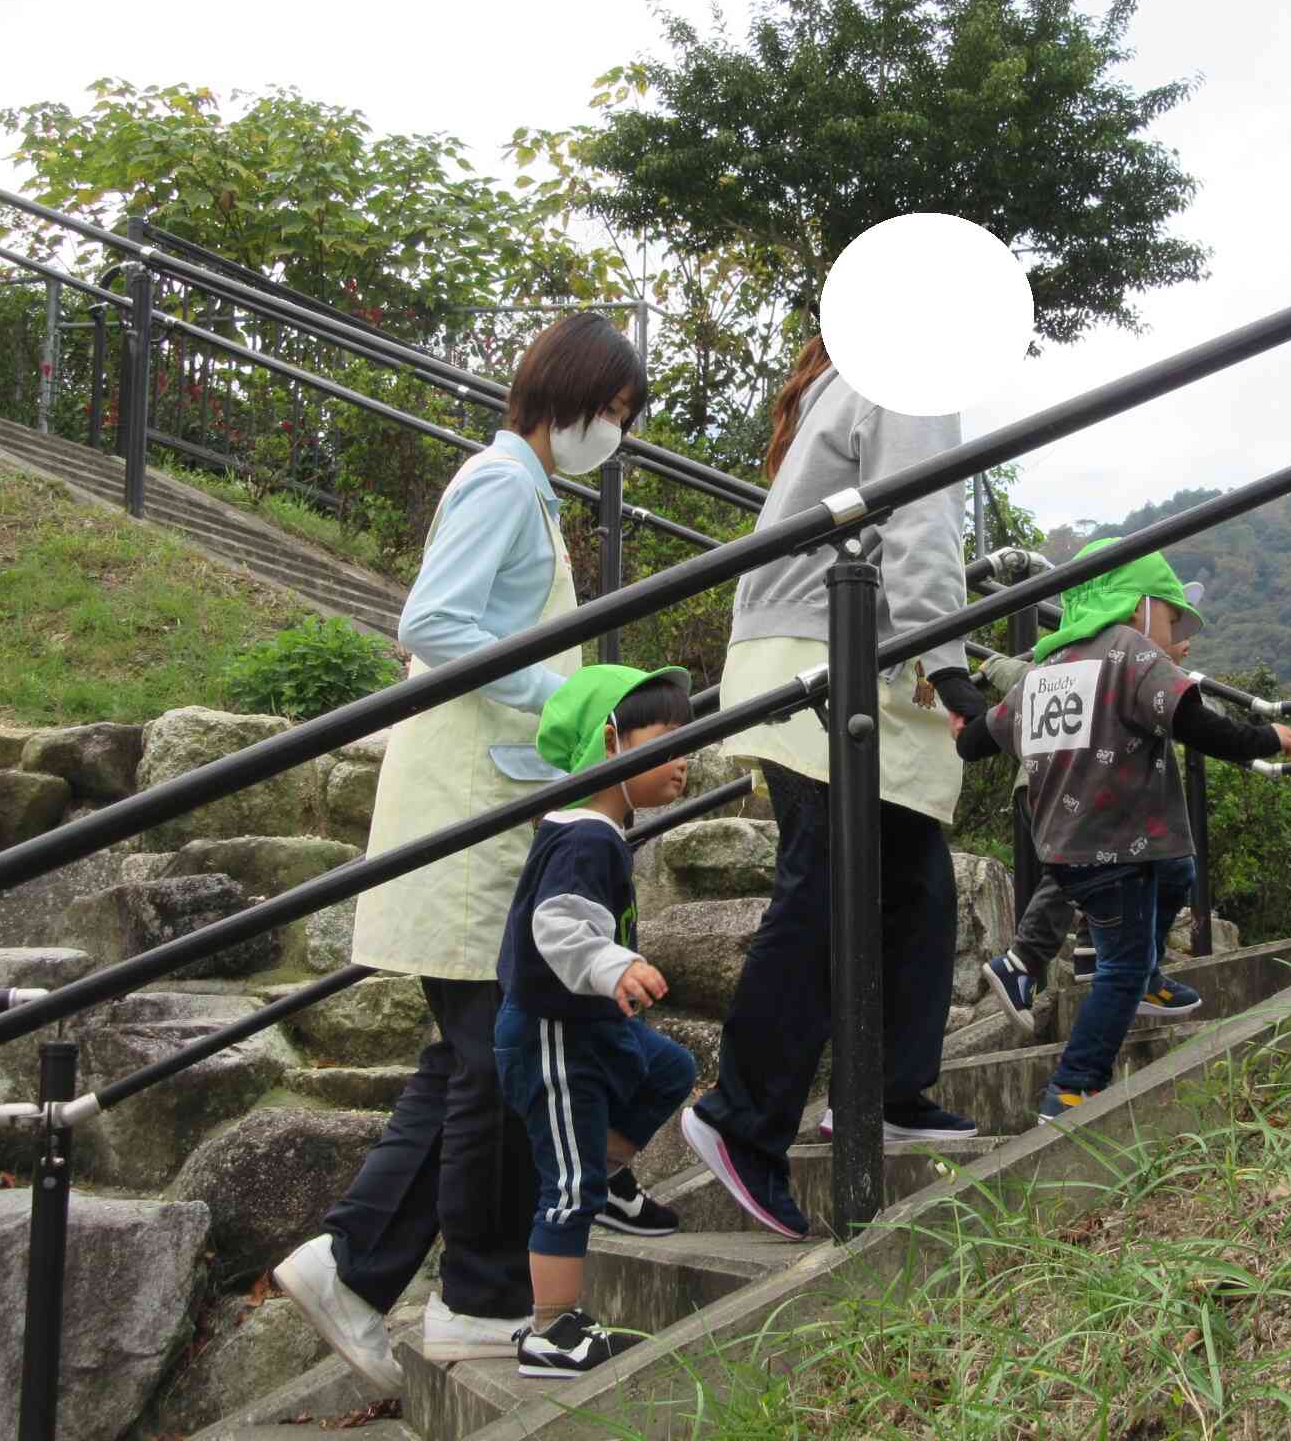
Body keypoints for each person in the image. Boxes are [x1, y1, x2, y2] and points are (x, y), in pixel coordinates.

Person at [274, 314, 661, 1393]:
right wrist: (570, 696)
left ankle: (356, 1266)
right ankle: (476, 1298)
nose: (616, 438)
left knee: (468, 1058)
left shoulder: (525, 492)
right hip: (466, 808)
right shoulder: (501, 485)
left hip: (481, 801)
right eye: (617, 415)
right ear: (577, 398)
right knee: (497, 1056)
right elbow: (433, 624)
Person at [679, 334, 988, 1241]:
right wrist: (953, 665)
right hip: (829, 651)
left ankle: (887, 1086)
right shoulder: (907, 375)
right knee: (826, 890)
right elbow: (920, 524)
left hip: (812, 651)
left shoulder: (844, 381)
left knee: (912, 882)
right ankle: (739, 1119)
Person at [952, 540, 1291, 1123]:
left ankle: (1149, 977)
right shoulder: (1130, 652)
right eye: (1167, 613)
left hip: (1070, 850)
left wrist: (961, 721)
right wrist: (1267, 740)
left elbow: (979, 740)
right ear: (1136, 605)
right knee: (1119, 968)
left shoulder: (1049, 667)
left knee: (1179, 870)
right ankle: (1071, 1090)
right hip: (1118, 848)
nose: (1170, 628)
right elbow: (1196, 724)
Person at [494, 663, 699, 1378]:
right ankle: (551, 1331)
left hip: (589, 1020)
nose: (684, 758)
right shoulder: (585, 837)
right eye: (668, 742)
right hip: (553, 1027)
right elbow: (559, 928)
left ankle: (612, 1179)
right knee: (566, 1183)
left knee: (672, 1067)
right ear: (611, 742)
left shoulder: (599, 828)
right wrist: (616, 967)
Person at [977, 578, 1212, 1033]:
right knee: (1079, 866)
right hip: (1063, 783)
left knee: (1110, 866)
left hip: (1082, 786)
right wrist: (992, 665)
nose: (1181, 642)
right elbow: (1024, 681)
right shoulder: (1088, 654)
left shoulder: (1128, 662)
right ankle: (1023, 961)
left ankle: (1092, 952)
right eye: (1170, 624)